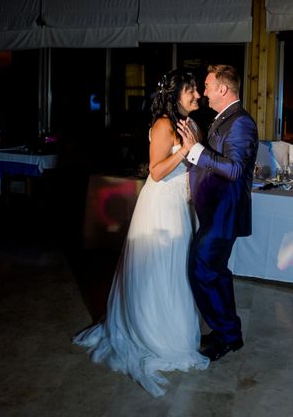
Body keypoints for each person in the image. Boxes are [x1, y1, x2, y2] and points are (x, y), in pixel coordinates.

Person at [73, 69, 209, 397]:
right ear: (176, 94)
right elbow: (157, 172)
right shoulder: (164, 124)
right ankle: (154, 334)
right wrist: (183, 150)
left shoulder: (189, 124)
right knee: (159, 268)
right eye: (192, 90)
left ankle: (174, 330)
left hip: (181, 205)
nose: (198, 96)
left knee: (178, 269)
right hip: (161, 204)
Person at [179, 64, 258, 362]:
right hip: (216, 212)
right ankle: (228, 333)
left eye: (208, 86)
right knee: (215, 273)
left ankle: (226, 334)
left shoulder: (241, 123)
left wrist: (196, 149)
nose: (204, 92)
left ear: (223, 89)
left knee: (203, 270)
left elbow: (235, 169)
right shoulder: (223, 119)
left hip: (224, 213)